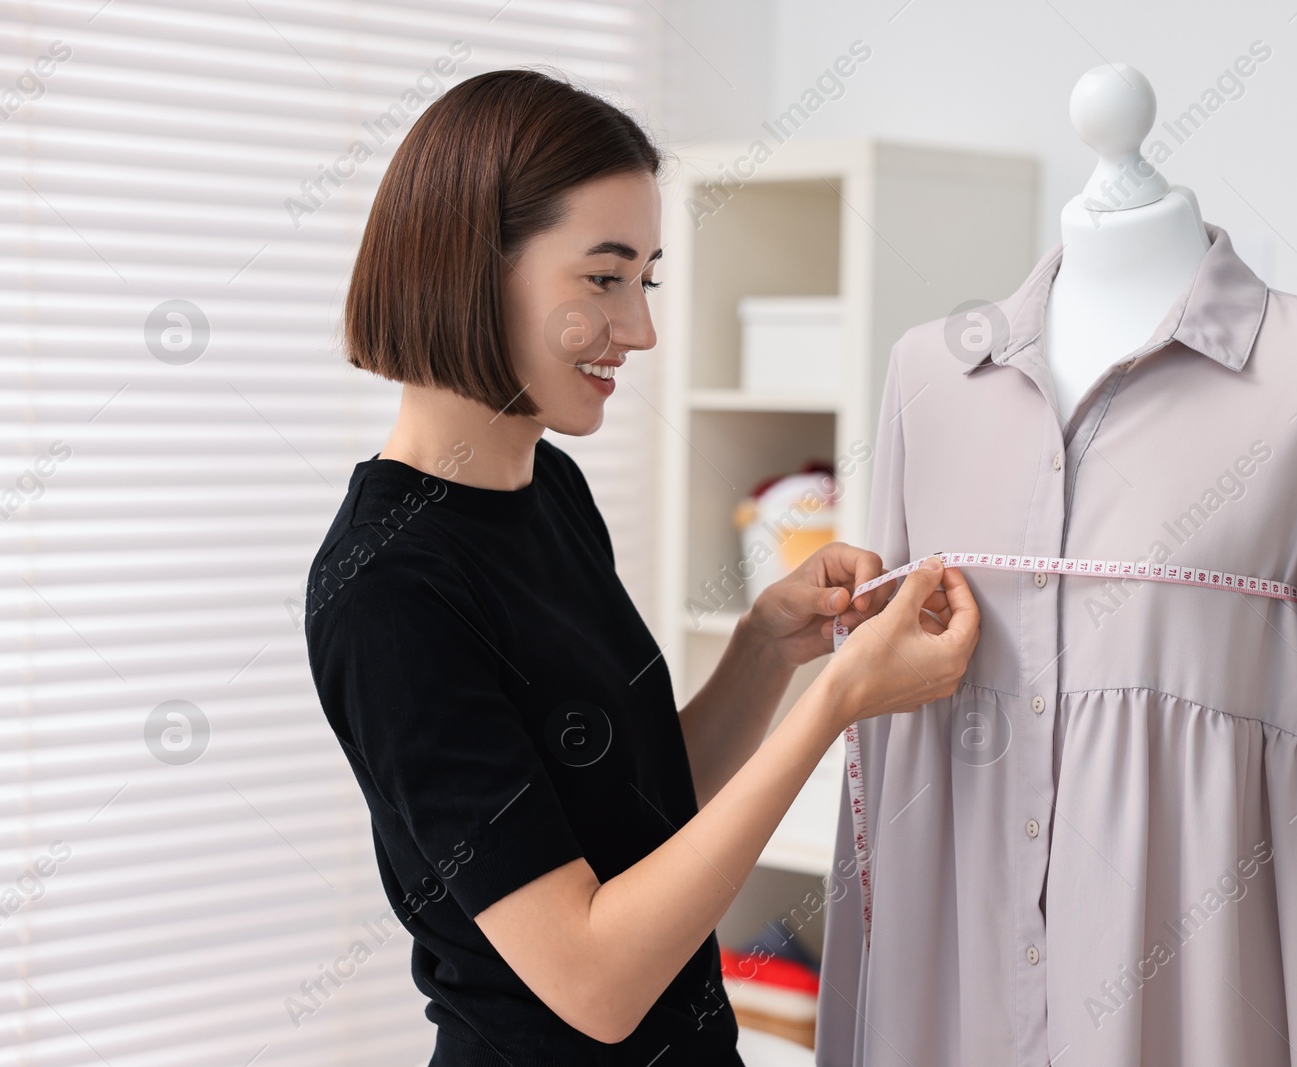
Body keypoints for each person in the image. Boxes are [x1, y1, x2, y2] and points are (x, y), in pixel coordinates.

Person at [302, 68, 980, 1066]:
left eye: (645, 279)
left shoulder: (552, 493)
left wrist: (764, 651)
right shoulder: (390, 590)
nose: (641, 329)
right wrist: (832, 702)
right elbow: (594, 979)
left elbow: (633, 817)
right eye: (604, 278)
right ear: (471, 267)